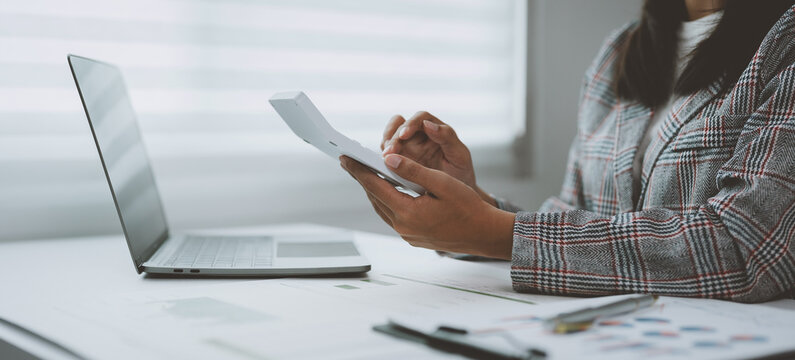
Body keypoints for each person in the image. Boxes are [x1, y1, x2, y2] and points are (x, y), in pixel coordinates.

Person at [340, 0, 795, 303]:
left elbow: (748, 247)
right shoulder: (620, 52)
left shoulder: (783, 45)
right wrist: (471, 202)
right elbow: (577, 218)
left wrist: (498, 234)